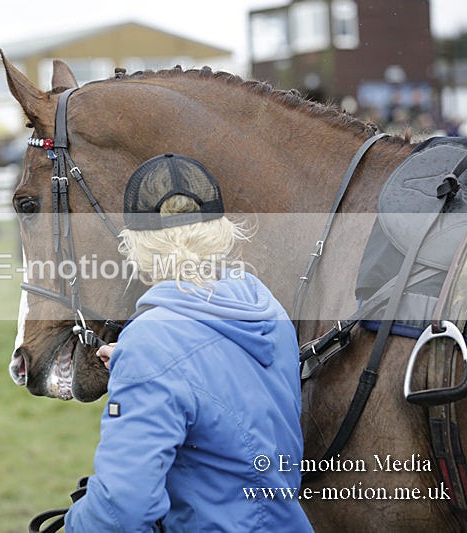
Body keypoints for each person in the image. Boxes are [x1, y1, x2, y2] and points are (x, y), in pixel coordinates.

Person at [65, 153, 312, 532]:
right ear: (220, 230)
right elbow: (238, 395)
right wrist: (144, 366)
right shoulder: (269, 309)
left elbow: (121, 511)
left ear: (138, 245)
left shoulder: (152, 344)